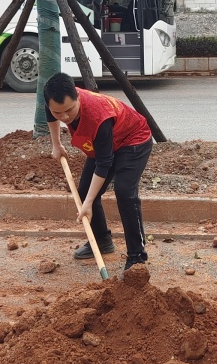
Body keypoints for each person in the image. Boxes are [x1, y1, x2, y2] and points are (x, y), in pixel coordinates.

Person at [45, 72, 153, 270]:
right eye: (58, 113)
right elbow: (49, 112)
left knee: (124, 192)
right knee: (86, 191)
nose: (65, 117)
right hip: (105, 145)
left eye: (69, 110)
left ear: (78, 97)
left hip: (133, 140)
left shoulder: (97, 117)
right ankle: (102, 240)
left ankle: (137, 256)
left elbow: (104, 163)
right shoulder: (56, 103)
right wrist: (56, 144)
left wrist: (87, 205)